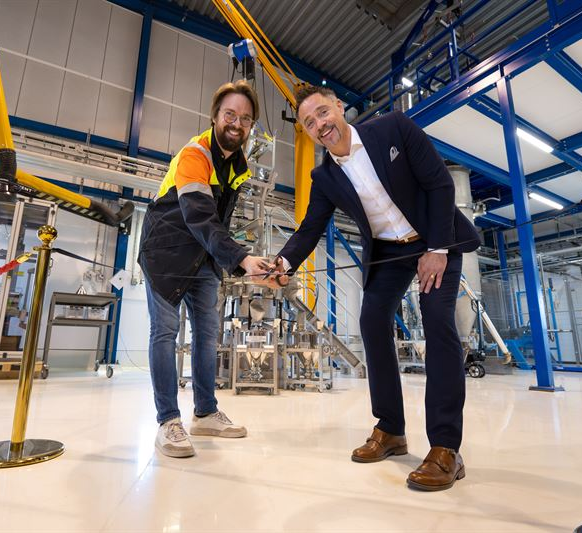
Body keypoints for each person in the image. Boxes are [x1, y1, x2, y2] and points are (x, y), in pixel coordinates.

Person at [270, 85, 480, 491]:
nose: (320, 125)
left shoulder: (394, 129)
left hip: (436, 237)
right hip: (388, 253)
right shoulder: (325, 176)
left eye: (323, 113)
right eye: (310, 123)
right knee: (371, 321)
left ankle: (446, 449)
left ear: (340, 107)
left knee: (437, 320)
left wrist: (436, 248)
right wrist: (282, 263)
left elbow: (439, 185)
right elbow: (310, 227)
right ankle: (391, 429)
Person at [137, 80, 271, 458]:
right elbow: (198, 214)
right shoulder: (195, 154)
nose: (237, 123)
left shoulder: (238, 166)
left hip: (204, 258)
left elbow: (219, 222)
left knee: (208, 335)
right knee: (165, 331)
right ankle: (168, 421)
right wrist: (242, 260)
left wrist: (242, 263)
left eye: (245, 119)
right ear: (215, 116)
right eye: (230, 114)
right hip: (166, 252)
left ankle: (206, 412)